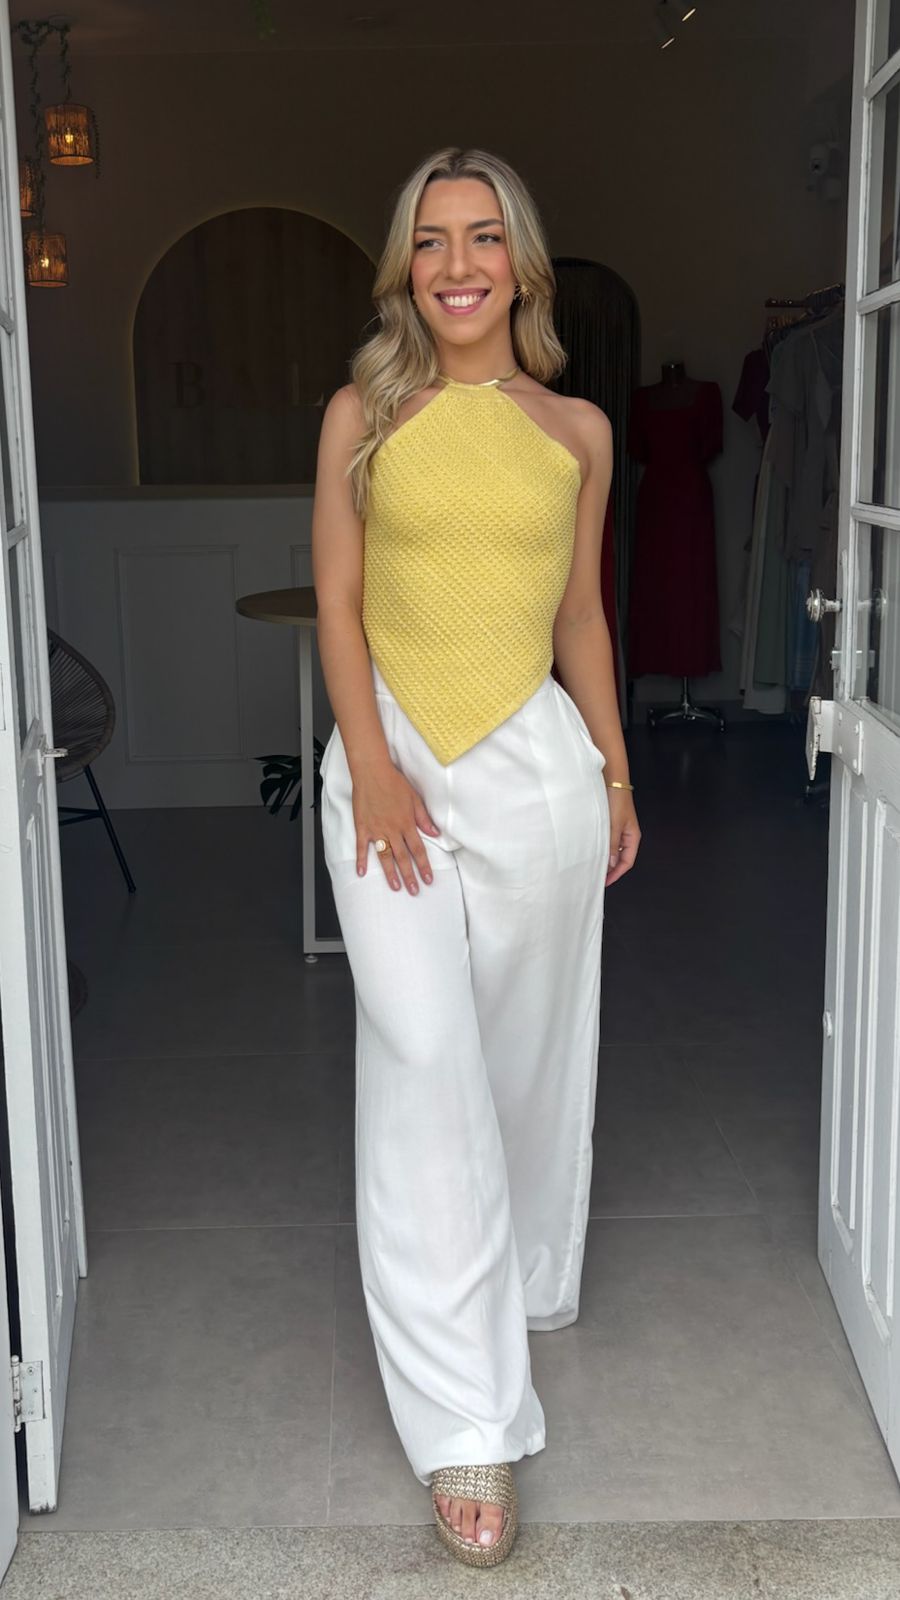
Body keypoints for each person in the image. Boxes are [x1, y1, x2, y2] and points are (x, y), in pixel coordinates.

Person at [311, 145, 640, 1568]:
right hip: (387, 766)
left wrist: (615, 771)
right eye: (433, 239)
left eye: (485, 237)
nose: (458, 265)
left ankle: (518, 1277)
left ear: (523, 266)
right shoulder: (362, 414)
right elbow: (337, 603)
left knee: (523, 1052)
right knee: (427, 1055)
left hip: (535, 774)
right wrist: (375, 770)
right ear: (406, 266)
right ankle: (467, 1418)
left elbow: (580, 618)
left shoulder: (578, 431)